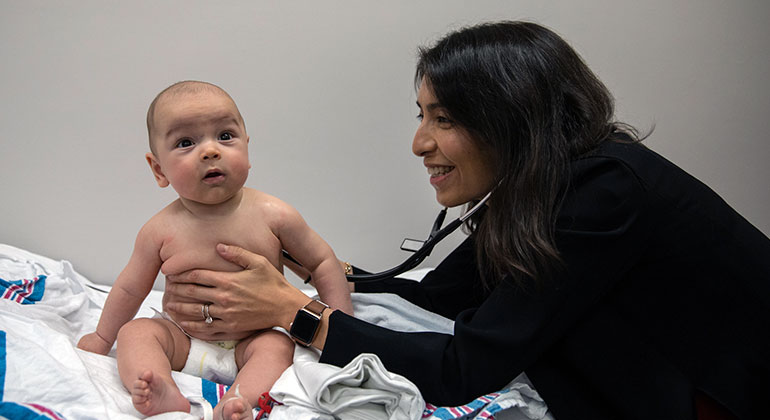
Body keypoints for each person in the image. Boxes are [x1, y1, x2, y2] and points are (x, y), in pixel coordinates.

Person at [161, 22, 770, 420]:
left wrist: (292, 313)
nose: (419, 143)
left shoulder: (605, 193)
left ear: (512, 118)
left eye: (443, 118)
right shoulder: (536, 189)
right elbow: (441, 297)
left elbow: (465, 369)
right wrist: (312, 266)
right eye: (422, 115)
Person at [77, 80, 353, 420]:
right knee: (136, 333)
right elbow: (131, 287)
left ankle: (238, 401)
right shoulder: (159, 230)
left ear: (247, 148)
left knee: (278, 347)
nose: (210, 150)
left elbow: (323, 262)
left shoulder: (274, 214)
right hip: (183, 337)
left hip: (252, 339)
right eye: (185, 142)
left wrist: (343, 324)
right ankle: (163, 389)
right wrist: (103, 337)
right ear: (159, 169)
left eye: (224, 136)